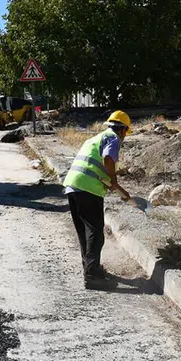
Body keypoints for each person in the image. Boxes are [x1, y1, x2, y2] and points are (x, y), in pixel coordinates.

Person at [62, 110, 133, 289]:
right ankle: (92, 277)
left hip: (72, 186)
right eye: (126, 133)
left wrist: (110, 185)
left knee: (83, 232)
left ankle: (91, 268)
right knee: (96, 232)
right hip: (88, 188)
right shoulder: (113, 138)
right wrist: (115, 182)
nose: (125, 137)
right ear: (123, 129)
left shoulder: (94, 139)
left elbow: (95, 164)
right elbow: (108, 158)